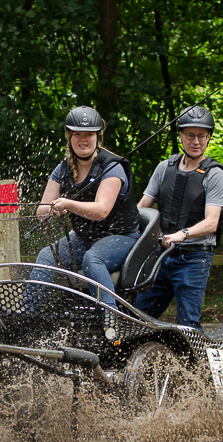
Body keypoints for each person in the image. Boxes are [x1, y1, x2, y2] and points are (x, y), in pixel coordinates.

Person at [29, 106, 140, 308]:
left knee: (93, 259)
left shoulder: (112, 167)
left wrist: (68, 204)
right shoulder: (62, 169)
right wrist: (53, 209)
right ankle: (28, 311)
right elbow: (41, 212)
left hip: (121, 237)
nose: (83, 139)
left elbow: (101, 211)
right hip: (84, 237)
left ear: (97, 136)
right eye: (77, 134)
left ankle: (111, 316)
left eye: (89, 134)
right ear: (69, 137)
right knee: (46, 255)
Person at [135, 105, 223, 330]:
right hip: (160, 255)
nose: (196, 141)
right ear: (180, 136)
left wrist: (182, 234)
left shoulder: (214, 173)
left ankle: (196, 354)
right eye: (190, 135)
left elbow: (212, 222)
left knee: (188, 323)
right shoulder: (165, 168)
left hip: (194, 258)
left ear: (208, 138)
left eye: (202, 136)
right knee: (138, 317)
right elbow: (142, 209)